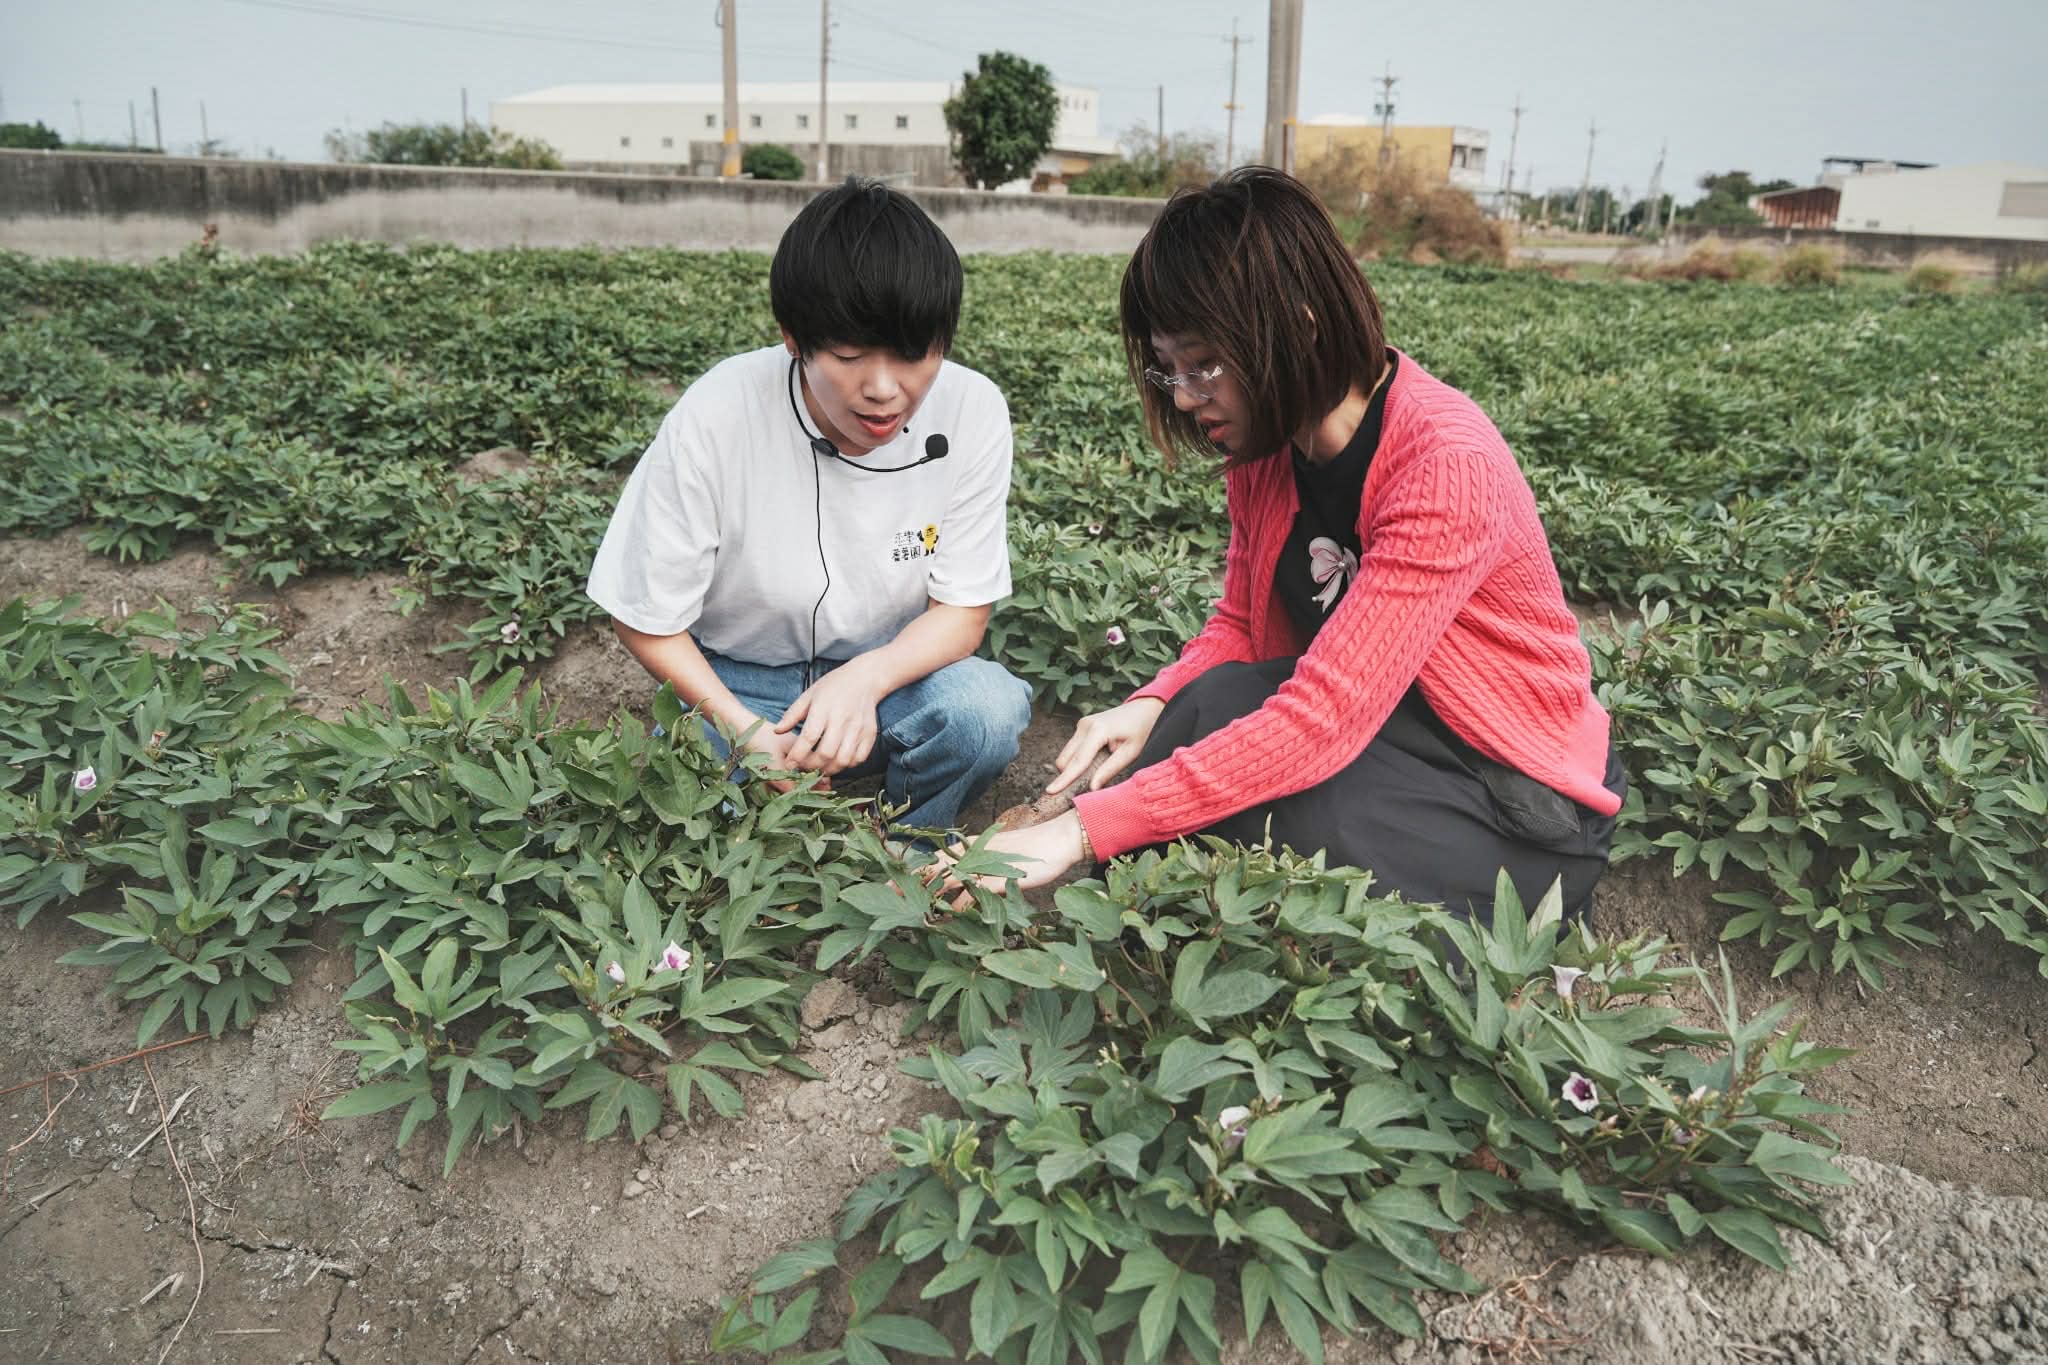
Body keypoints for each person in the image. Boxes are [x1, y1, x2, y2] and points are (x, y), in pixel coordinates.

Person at [952, 167, 1625, 925]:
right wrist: (1151, 701)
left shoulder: (1443, 465)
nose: (1182, 395)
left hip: (1513, 791)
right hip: (1399, 738)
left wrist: (1081, 828)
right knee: (1207, 708)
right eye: (1167, 368)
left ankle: (1535, 911)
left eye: (1203, 363)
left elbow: (1322, 718)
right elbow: (1241, 626)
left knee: (1281, 827)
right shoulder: (1269, 448)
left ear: (1296, 328)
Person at [587, 177, 1032, 832]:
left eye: (913, 355)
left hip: (888, 677)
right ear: (794, 339)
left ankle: (904, 842)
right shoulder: (719, 411)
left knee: (984, 714)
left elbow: (963, 612)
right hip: (739, 683)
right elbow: (646, 616)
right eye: (850, 357)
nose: (885, 390)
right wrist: (746, 733)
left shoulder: (973, 410)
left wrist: (865, 680)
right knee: (684, 781)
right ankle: (768, 809)